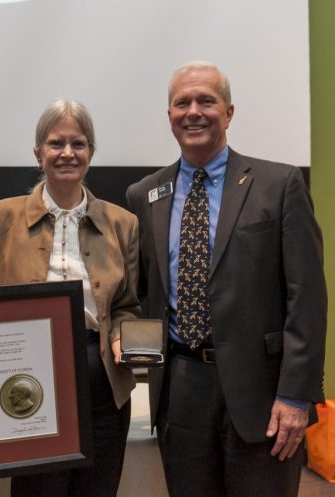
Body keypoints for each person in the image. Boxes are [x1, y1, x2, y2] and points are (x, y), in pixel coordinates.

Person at [125, 61, 327, 497]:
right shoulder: (145, 195)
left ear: (229, 113)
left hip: (265, 392)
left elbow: (307, 299)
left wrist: (296, 397)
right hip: (180, 390)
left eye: (206, 101)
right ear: (170, 116)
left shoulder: (280, 184)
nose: (194, 111)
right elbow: (141, 293)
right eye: (183, 102)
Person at [0, 99, 139, 497]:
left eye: (79, 144)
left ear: (91, 153)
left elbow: (127, 306)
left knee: (97, 488)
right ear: (38, 153)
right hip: (26, 379)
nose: (67, 153)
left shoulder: (124, 223)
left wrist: (123, 334)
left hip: (102, 379)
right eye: (56, 143)